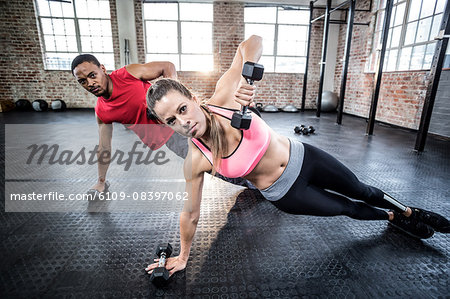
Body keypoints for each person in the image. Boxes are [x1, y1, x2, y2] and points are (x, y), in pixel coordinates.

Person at [144, 35, 449, 278]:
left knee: (363, 190)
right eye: (171, 120)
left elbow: (252, 42)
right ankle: (392, 217)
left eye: (182, 109)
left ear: (194, 99)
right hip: (286, 192)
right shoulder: (196, 159)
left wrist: (246, 79)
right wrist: (183, 256)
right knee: (349, 208)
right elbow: (191, 214)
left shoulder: (225, 97)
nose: (182, 122)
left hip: (306, 157)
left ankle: (409, 212)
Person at [71, 55, 254, 195]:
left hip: (186, 119)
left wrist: (175, 98)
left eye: (92, 75)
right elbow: (104, 147)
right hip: (171, 137)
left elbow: (167, 67)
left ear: (102, 69)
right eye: (83, 81)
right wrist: (101, 181)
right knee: (215, 164)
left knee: (226, 145)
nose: (90, 83)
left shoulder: (128, 73)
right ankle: (256, 181)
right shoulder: (102, 111)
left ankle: (261, 177)